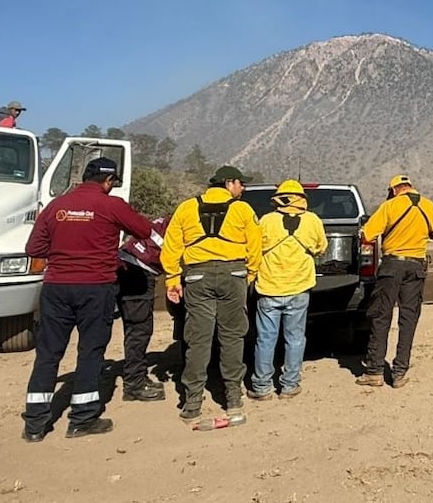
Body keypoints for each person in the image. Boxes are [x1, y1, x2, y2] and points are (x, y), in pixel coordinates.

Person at [21, 157, 160, 442]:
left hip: (56, 288)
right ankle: (82, 419)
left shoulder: (56, 206)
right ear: (108, 181)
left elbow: (33, 247)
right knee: (90, 351)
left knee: (48, 353)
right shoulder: (112, 205)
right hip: (96, 288)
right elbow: (145, 231)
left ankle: (35, 424)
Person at [160, 165, 261, 423]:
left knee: (197, 339)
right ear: (228, 183)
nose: (243, 188)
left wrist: (173, 279)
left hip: (197, 276)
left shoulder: (186, 208)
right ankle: (233, 399)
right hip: (234, 275)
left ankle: (192, 402)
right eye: (240, 183)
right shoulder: (242, 210)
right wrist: (247, 276)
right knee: (233, 337)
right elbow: (255, 246)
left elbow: (171, 246)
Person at [356, 174, 433, 389]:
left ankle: (374, 371)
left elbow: (367, 234)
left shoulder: (390, 206)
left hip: (392, 266)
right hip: (416, 266)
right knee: (409, 319)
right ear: (410, 187)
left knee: (381, 316)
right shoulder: (429, 205)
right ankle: (399, 373)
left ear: (394, 189)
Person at [249, 180, 326, 401]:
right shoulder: (312, 220)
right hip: (299, 288)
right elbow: (321, 248)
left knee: (265, 338)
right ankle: (290, 385)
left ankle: (262, 387)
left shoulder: (266, 220)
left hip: (269, 288)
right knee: (295, 338)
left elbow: (254, 248)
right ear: (301, 199)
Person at [115, 215, 171, 402]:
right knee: (139, 330)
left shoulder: (166, 220)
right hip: (137, 270)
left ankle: (135, 377)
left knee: (135, 328)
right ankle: (134, 384)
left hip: (127, 264)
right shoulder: (181, 224)